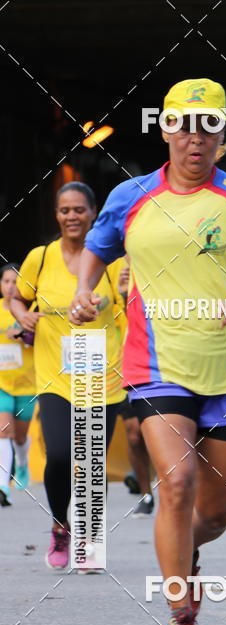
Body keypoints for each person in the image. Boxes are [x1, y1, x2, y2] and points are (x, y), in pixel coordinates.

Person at [71, 78, 226, 625]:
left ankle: (185, 549)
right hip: (156, 365)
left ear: (222, 136)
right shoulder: (130, 196)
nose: (194, 138)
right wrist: (84, 291)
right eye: (183, 126)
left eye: (208, 127)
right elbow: (97, 247)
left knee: (216, 514)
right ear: (166, 130)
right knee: (175, 485)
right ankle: (181, 617)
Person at [11, 182, 125, 568]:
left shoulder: (113, 260)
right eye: (65, 210)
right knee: (60, 455)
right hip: (55, 375)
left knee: (92, 462)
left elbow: (133, 307)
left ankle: (89, 541)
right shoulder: (40, 258)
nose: (72, 216)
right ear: (56, 215)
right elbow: (17, 297)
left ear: (93, 213)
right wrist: (22, 315)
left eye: (79, 209)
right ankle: (61, 526)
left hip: (102, 375)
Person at [115, 260, 154, 515]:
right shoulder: (109, 267)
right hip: (124, 369)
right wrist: (121, 293)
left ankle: (175, 487)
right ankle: (146, 493)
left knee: (156, 432)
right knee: (134, 434)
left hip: (156, 366)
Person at [0, 263, 37, 506]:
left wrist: (24, 334)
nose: (11, 287)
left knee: (20, 437)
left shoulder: (29, 311)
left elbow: (41, 339)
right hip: (2, 383)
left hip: (27, 384)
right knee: (4, 431)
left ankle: (22, 464)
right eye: (6, 281)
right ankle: (3, 485)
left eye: (16, 282)